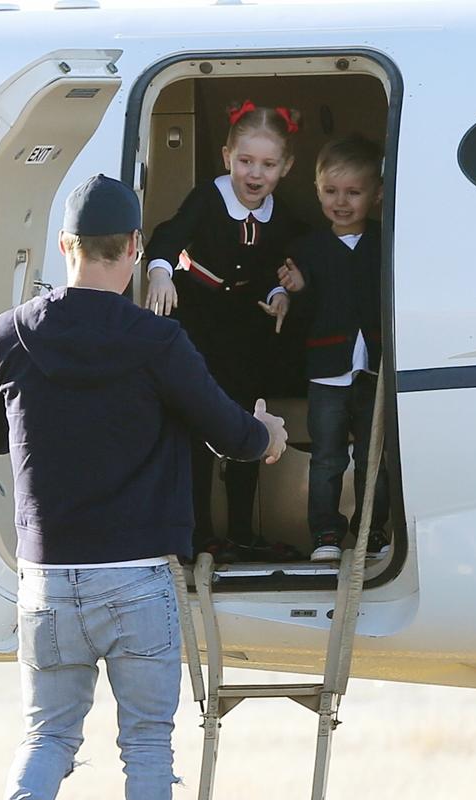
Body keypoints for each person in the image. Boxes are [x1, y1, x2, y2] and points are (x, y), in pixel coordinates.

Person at [0, 174, 287, 800]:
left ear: (66, 249)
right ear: (136, 251)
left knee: (48, 735)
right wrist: (268, 433)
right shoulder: (158, 341)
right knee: (146, 751)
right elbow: (232, 437)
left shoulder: (9, 333)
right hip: (136, 578)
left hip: (47, 581)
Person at [145, 100, 303, 564]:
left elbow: (284, 263)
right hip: (198, 318)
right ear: (225, 157)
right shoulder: (207, 198)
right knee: (196, 424)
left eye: (268, 164)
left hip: (246, 328)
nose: (255, 174)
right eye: (245, 161)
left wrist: (281, 292)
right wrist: (159, 273)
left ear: (286, 167)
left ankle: (241, 531)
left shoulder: (283, 215)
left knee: (247, 422)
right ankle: (199, 534)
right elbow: (167, 238)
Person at [277, 134, 390, 562]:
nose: (340, 202)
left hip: (376, 369)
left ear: (377, 195)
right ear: (316, 190)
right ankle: (325, 533)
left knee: (372, 457)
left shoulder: (387, 244)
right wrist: (298, 291)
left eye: (354, 192)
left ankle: (371, 533)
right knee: (326, 458)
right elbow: (300, 321)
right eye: (330, 191)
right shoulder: (306, 249)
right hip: (326, 370)